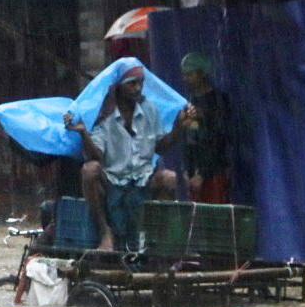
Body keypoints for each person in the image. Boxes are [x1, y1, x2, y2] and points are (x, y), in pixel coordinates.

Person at [64, 63, 194, 250]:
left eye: (140, 83)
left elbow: (161, 146)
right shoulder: (104, 114)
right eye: (131, 84)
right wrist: (84, 134)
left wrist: (179, 127)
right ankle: (105, 232)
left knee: (169, 178)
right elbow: (97, 156)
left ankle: (157, 240)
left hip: (142, 179)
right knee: (89, 170)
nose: (138, 88)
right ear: (119, 86)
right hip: (112, 181)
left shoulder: (149, 109)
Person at [180, 52, 233, 205]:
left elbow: (218, 139)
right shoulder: (189, 102)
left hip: (215, 171)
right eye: (184, 75)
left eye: (190, 74)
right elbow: (188, 137)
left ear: (202, 74)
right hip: (194, 174)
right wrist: (187, 169)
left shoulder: (218, 101)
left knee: (215, 216)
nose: (186, 79)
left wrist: (203, 173)